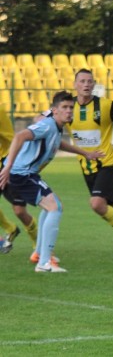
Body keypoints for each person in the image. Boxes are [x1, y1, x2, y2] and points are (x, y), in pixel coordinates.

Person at [39, 69, 113, 259]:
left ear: (94, 84)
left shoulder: (105, 105)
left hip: (107, 162)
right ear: (75, 84)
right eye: (82, 81)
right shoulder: (67, 107)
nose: (86, 84)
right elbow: (39, 118)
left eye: (89, 81)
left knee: (96, 204)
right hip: (86, 165)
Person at [0, 91, 103, 272]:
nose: (69, 111)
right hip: (21, 174)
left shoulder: (55, 127)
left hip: (26, 173)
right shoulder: (47, 125)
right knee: (55, 207)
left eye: (71, 107)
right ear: (54, 110)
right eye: (64, 107)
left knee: (51, 206)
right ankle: (44, 263)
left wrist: (85, 153)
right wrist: (7, 168)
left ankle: (40, 254)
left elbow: (58, 143)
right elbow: (19, 136)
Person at [0, 103, 39, 255]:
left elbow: (11, 140)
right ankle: (10, 229)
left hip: (7, 164)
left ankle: (37, 244)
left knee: (19, 210)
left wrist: (10, 166)